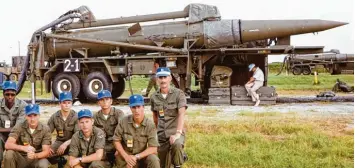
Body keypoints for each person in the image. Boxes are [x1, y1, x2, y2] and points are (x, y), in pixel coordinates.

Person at [150, 67, 188, 168]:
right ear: (157, 79)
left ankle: (178, 162)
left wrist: (178, 133)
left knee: (176, 144)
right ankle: (179, 156)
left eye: (165, 77)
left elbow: (181, 114)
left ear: (170, 78)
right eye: (160, 77)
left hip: (175, 132)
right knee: (162, 165)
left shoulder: (179, 94)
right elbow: (155, 116)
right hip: (161, 135)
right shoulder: (154, 97)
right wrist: (156, 133)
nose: (163, 80)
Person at [113, 94, 160, 168]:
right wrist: (126, 156)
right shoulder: (123, 122)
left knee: (153, 159)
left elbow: (153, 148)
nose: (136, 110)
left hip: (142, 157)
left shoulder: (150, 125)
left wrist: (137, 157)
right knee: (119, 156)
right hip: (127, 157)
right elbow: (116, 140)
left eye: (139, 107)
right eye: (134, 107)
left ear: (143, 107)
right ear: (130, 108)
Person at [4, 104, 51, 168]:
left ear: (39, 116)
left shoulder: (45, 128)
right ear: (26, 116)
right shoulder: (19, 126)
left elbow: (46, 151)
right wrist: (23, 148)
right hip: (21, 159)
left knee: (44, 163)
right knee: (9, 153)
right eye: (29, 116)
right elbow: (7, 145)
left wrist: (35, 155)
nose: (32, 119)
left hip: (36, 159)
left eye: (35, 115)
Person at [93, 90, 124, 166]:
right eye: (102, 100)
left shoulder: (118, 113)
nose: (105, 102)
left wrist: (119, 148)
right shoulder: (95, 116)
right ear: (98, 102)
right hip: (103, 146)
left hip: (116, 144)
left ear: (111, 101)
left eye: (107, 99)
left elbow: (123, 130)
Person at [0, 81, 27, 167]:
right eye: (7, 94)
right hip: (2, 136)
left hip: (18, 135)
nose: (10, 97)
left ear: (16, 94)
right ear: (3, 94)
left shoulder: (23, 106)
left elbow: (18, 128)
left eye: (12, 94)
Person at [47, 92, 79, 166]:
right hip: (59, 142)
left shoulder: (76, 117)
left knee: (75, 156)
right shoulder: (54, 117)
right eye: (64, 103)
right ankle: (60, 159)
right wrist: (48, 146)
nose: (67, 105)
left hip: (73, 142)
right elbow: (47, 133)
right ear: (60, 103)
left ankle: (65, 158)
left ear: (71, 103)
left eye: (69, 102)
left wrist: (65, 144)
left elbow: (77, 135)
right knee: (47, 153)